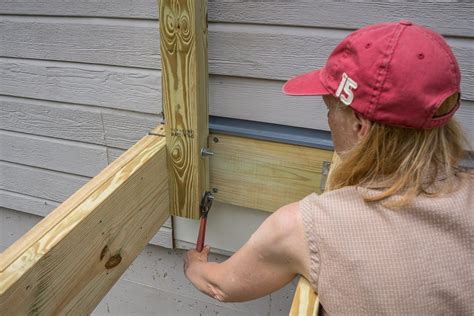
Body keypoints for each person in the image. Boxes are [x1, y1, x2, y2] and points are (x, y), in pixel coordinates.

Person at [184, 21, 473, 314]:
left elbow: (221, 285)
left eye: (330, 108)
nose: (329, 120)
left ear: (361, 127)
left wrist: (195, 267)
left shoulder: (305, 227)